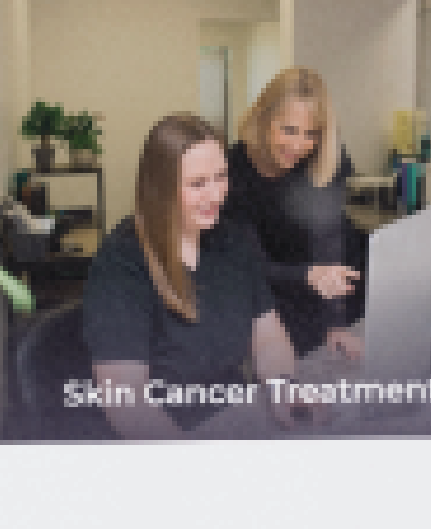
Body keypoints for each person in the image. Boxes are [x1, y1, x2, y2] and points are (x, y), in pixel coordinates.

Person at [75, 108, 275, 428]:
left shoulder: (233, 241)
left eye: (221, 176)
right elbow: (127, 403)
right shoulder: (121, 264)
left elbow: (268, 337)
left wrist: (283, 386)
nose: (216, 195)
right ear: (160, 189)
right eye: (197, 184)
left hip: (232, 422)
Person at [226, 63, 367, 368]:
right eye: (288, 129)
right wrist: (306, 275)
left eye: (311, 134)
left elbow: (329, 241)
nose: (298, 146)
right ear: (264, 118)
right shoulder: (233, 171)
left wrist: (336, 322)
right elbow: (250, 265)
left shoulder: (328, 156)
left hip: (335, 282)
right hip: (272, 290)